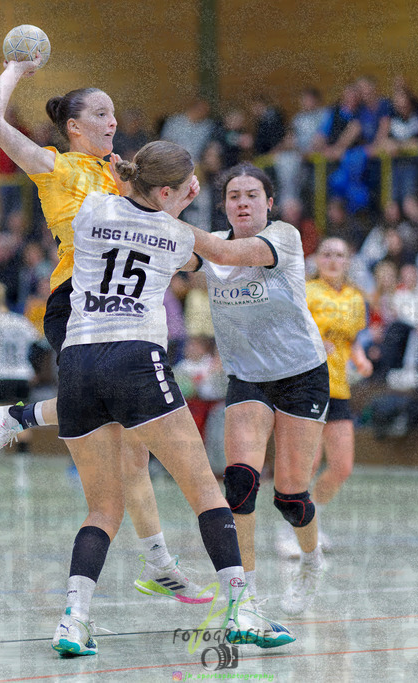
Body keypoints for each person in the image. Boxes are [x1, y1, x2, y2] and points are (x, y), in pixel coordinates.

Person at [0, 56, 209, 604]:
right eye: (100, 115)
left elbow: (163, 212)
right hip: (75, 301)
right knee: (115, 421)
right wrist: (15, 70)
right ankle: (12, 417)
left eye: (113, 115)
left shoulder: (121, 172)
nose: (112, 122)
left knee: (132, 447)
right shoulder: (56, 167)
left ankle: (159, 565)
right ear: (74, 126)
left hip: (126, 306)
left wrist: (182, 194)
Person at [50, 141, 293, 654]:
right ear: (169, 192)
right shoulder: (175, 233)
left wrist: (129, 183)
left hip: (76, 361)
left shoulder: (92, 207)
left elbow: (122, 200)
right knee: (206, 489)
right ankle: (242, 608)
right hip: (135, 357)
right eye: (185, 189)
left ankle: (73, 620)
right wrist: (177, 207)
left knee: (102, 510)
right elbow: (211, 255)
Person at [189, 163, 329, 616]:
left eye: (251, 195)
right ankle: (243, 596)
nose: (242, 202)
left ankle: (311, 559)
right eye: (233, 196)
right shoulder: (211, 243)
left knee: (290, 495)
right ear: (224, 205)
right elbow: (174, 255)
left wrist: (166, 219)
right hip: (247, 376)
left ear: (268, 203)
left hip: (301, 372)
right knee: (241, 482)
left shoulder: (282, 237)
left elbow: (222, 255)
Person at [275, 237, 372, 556]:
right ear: (316, 259)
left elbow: (352, 341)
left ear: (348, 261)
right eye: (326, 254)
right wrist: (314, 343)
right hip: (307, 385)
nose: (332, 260)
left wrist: (361, 359)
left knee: (342, 466)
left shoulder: (357, 298)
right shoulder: (307, 291)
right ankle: (291, 529)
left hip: (339, 388)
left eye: (339, 255)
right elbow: (289, 331)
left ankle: (310, 518)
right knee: (308, 461)